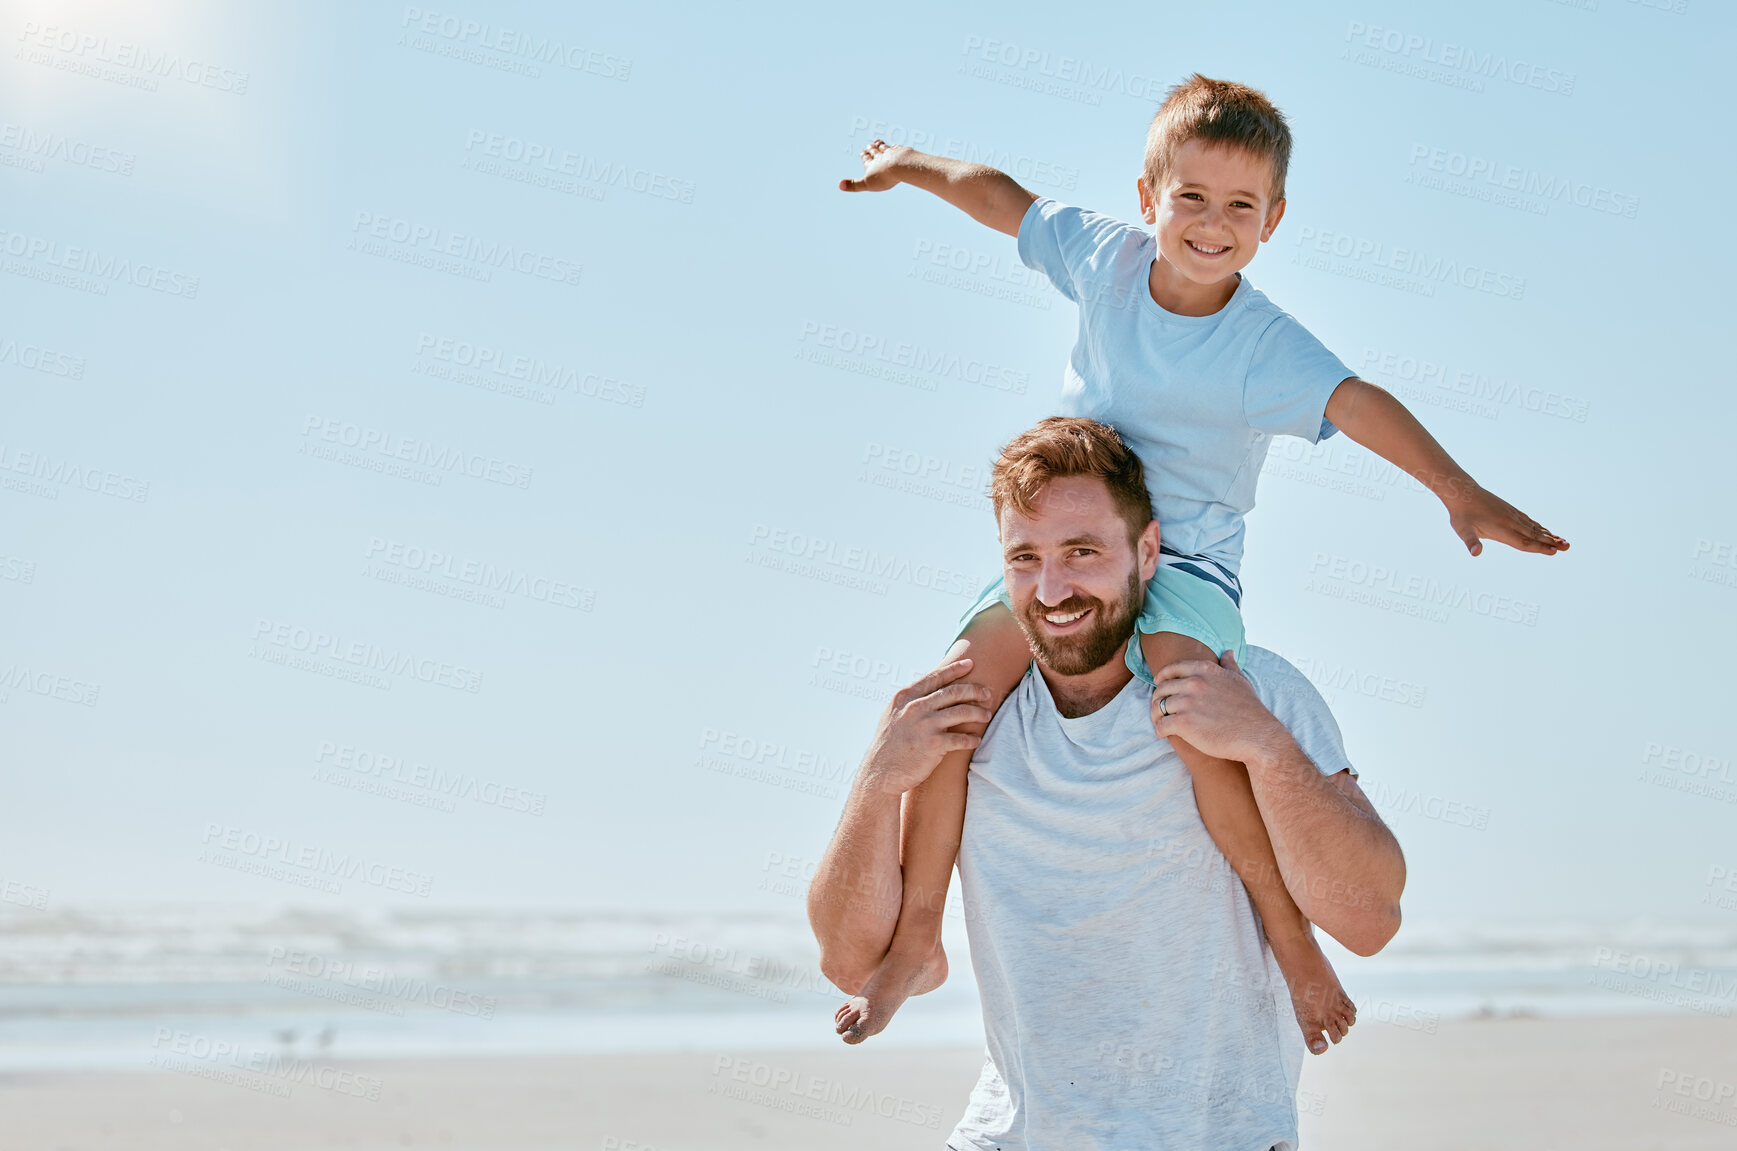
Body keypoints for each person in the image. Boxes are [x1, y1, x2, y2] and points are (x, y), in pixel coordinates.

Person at [832, 74, 1565, 1051]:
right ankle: (919, 936)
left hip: (1187, 574)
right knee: (955, 701)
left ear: (1273, 220)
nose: (1212, 223)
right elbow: (1000, 196)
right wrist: (910, 165)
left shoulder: (1262, 343)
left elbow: (1359, 402)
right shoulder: (1104, 259)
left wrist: (1457, 489)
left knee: (1190, 715)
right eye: (1191, 197)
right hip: (1073, 554)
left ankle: (1291, 939)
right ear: (1149, 198)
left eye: (1240, 206)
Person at [807, 417, 1406, 1150]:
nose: (1051, 588)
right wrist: (876, 780)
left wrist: (1265, 746)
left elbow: (1369, 920)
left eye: (1082, 552)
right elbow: (846, 961)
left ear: (1146, 551)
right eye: (1024, 558)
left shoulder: (1249, 690)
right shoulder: (969, 713)